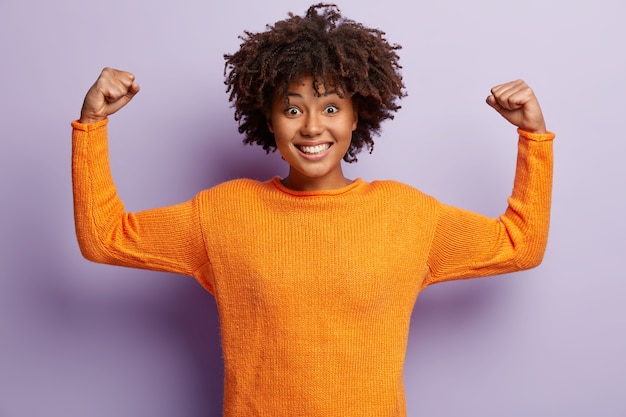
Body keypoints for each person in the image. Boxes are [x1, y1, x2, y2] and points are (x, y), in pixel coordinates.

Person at [71, 3, 554, 416]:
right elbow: (104, 237)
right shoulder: (222, 212)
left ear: (356, 114)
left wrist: (533, 138)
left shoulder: (408, 215)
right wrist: (92, 123)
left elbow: (520, 245)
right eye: (293, 107)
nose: (311, 128)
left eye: (329, 107)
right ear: (269, 117)